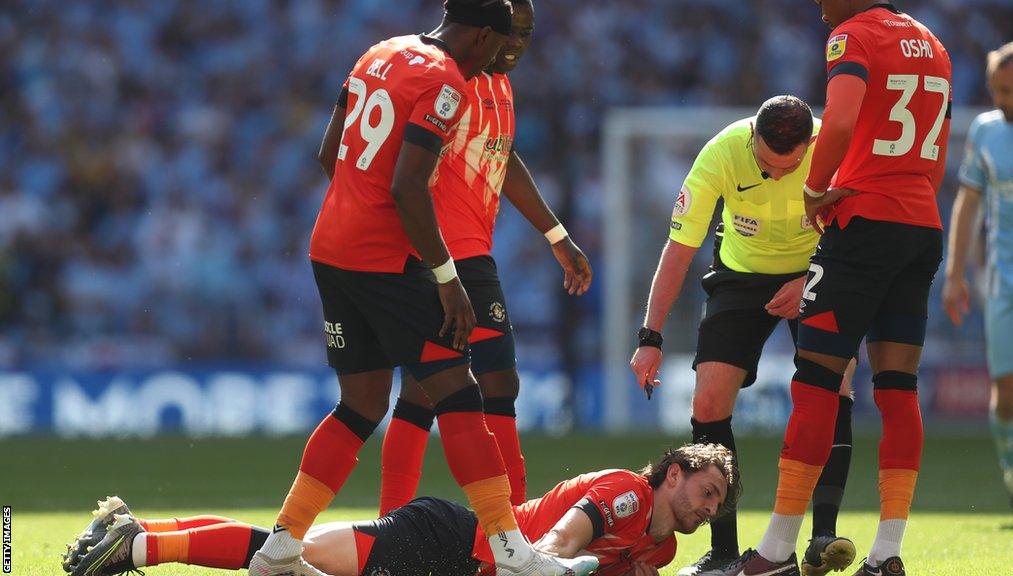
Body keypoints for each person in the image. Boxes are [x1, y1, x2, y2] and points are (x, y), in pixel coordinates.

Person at [254, 2, 593, 575]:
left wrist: (357, 211)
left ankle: (280, 547)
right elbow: (408, 186)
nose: (495, 58)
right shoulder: (445, 79)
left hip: (330, 249)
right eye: (497, 43)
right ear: (482, 33)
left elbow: (327, 151)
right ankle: (512, 552)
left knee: (360, 405)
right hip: (387, 262)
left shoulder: (378, 52)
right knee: (460, 393)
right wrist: (446, 279)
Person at [731, 2, 951, 576]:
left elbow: (844, 117)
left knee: (816, 381)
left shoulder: (853, 36)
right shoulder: (933, 43)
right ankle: (889, 553)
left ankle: (775, 551)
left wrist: (815, 189)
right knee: (899, 388)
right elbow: (938, 152)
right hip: (921, 225)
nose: (820, 4)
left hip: (864, 223)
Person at [351, 0, 593, 517]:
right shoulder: (449, 80)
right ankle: (518, 527)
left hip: (461, 252)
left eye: (526, 35)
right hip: (453, 256)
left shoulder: (495, 83)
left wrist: (555, 233)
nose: (517, 45)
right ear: (486, 31)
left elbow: (502, 156)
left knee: (421, 390)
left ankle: (391, 524)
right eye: (510, 33)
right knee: (498, 382)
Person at [629, 95, 856, 576]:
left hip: (820, 270)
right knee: (708, 405)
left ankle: (823, 538)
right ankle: (725, 553)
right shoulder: (721, 153)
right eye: (766, 166)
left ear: (809, 145)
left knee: (835, 389)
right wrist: (650, 335)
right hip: (739, 274)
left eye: (788, 168)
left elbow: (861, 234)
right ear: (752, 136)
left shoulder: (834, 146)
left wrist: (813, 279)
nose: (776, 176)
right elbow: (679, 248)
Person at [61, 444, 740, 576]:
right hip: (452, 540)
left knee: (285, 559)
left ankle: (134, 536)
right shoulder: (626, 491)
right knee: (285, 557)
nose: (709, 509)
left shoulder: (661, 551)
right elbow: (557, 548)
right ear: (673, 474)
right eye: (706, 491)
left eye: (717, 504)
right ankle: (139, 541)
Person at [943, 41, 1013, 527]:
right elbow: (968, 203)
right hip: (1003, 280)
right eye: (995, 89)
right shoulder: (986, 131)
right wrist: (954, 274)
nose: (1000, 98)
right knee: (1009, 394)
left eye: (1009, 90)